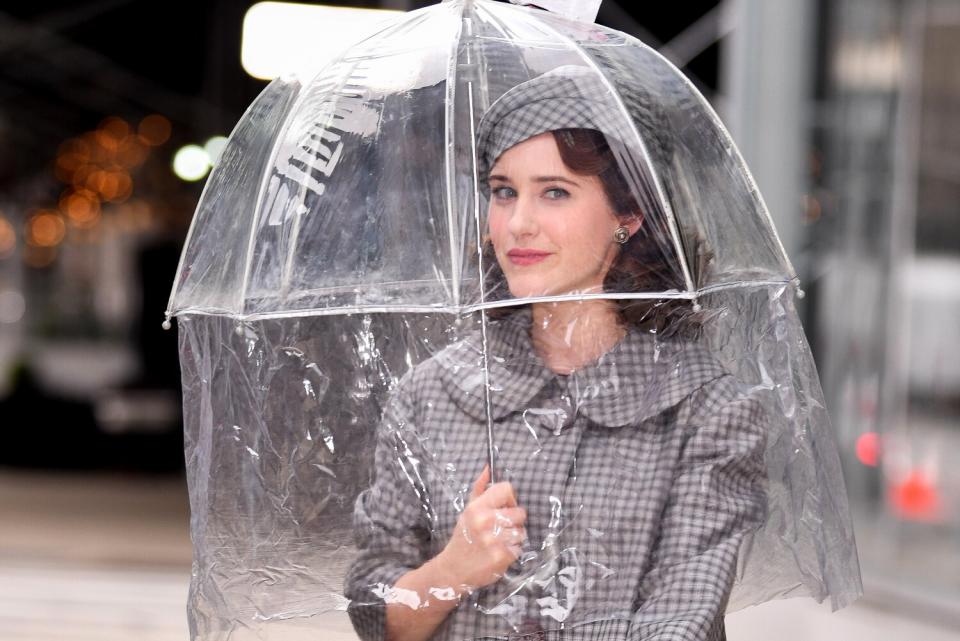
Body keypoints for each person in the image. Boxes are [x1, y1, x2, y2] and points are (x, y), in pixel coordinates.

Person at [344, 66, 768, 641]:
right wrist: (453, 569)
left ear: (629, 215)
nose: (518, 223)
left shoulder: (703, 410)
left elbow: (679, 624)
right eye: (503, 192)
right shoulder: (432, 395)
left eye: (555, 192)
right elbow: (375, 613)